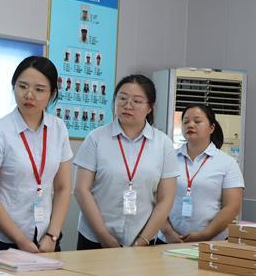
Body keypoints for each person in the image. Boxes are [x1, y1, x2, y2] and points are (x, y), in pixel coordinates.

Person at [74, 74, 178, 249]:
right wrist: (103, 236)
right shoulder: (96, 138)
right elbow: (81, 189)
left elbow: (165, 199)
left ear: (149, 107)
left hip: (143, 239)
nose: (127, 105)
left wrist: (143, 240)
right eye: (122, 98)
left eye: (137, 101)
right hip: (95, 238)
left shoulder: (163, 144)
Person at [0, 56, 73, 252]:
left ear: (52, 93)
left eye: (39, 89)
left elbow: (63, 187)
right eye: (22, 86)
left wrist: (52, 235)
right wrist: (21, 240)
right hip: (3, 239)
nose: (29, 95)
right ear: (13, 87)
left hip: (46, 238)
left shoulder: (58, 129)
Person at [159, 104, 244, 243]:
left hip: (211, 242)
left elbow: (232, 207)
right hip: (167, 240)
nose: (190, 125)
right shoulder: (168, 158)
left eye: (197, 121)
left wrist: (205, 234)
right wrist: (168, 232)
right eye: (186, 121)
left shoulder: (227, 163)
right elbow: (155, 199)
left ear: (211, 128)